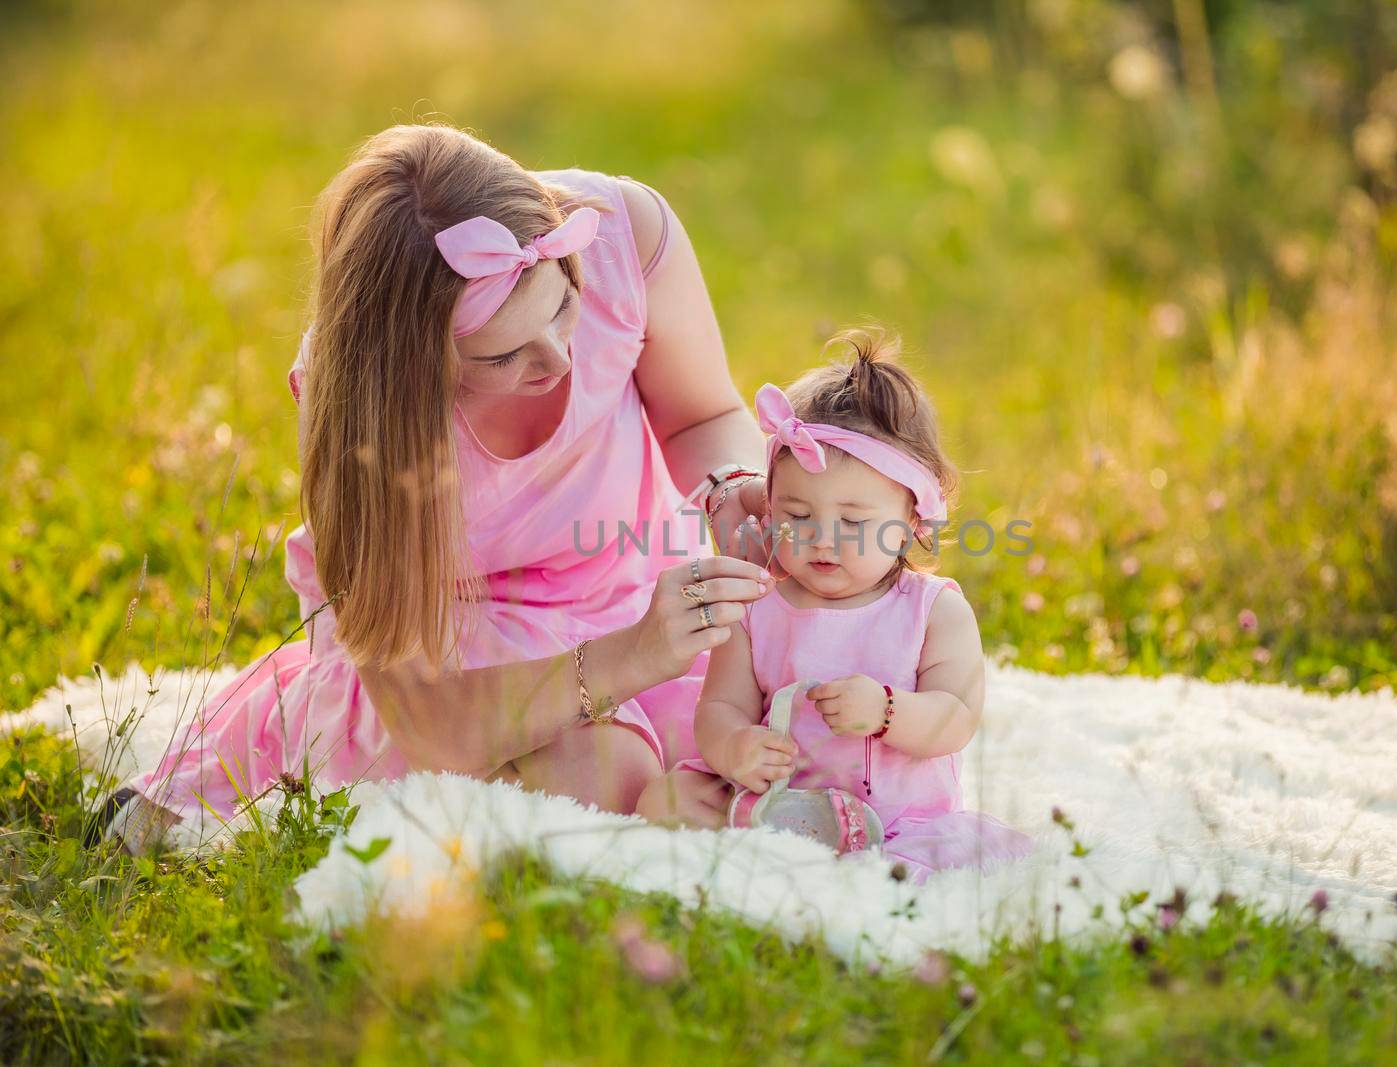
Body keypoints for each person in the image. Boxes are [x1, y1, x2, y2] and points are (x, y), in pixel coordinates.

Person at [92, 123, 777, 853]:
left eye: (563, 305)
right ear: (414, 368)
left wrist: (731, 484)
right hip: (449, 634)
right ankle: (272, 726)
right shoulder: (362, 405)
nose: (558, 359)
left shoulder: (622, 235)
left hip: (618, 589)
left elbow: (703, 414)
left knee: (773, 749)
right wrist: (631, 659)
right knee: (600, 786)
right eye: (505, 353)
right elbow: (433, 723)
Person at [644, 330, 1033, 882]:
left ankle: (863, 876)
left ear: (911, 524)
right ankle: (759, 858)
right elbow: (719, 707)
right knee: (668, 798)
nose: (823, 539)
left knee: (942, 864)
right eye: (797, 516)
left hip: (898, 820)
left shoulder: (933, 612)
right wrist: (734, 746)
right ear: (769, 506)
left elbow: (957, 716)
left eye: (853, 522)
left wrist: (887, 711)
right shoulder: (756, 607)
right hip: (775, 806)